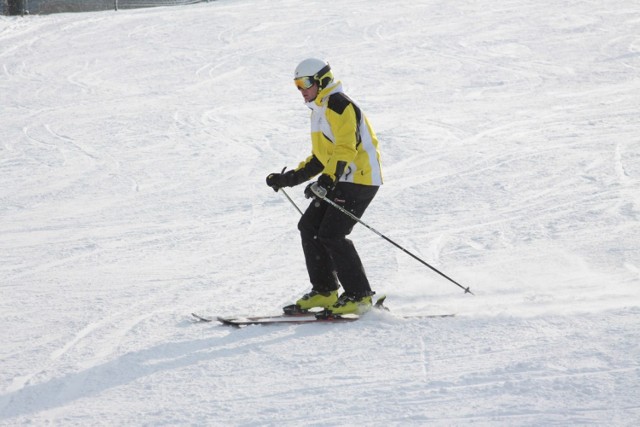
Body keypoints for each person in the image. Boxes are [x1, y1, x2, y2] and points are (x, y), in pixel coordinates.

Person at [265, 58, 383, 315]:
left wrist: (327, 180)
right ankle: (326, 291)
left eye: (305, 83)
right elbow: (321, 157)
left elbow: (345, 148)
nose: (301, 89)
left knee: (332, 234)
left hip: (360, 179)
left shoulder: (339, 105)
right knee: (309, 226)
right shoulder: (319, 111)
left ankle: (360, 296)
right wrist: (290, 179)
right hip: (340, 177)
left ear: (322, 80)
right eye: (297, 85)